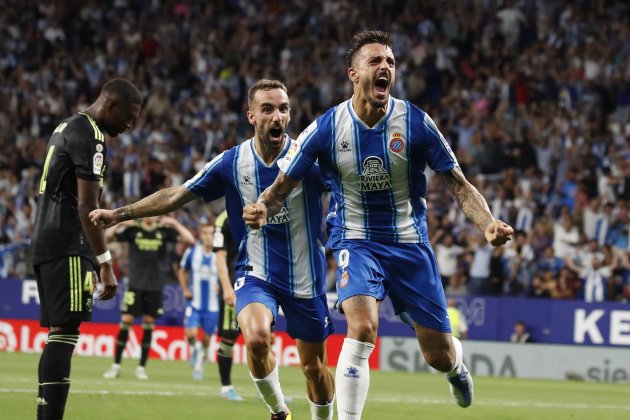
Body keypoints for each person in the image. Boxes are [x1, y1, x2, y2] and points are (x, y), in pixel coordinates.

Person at [243, 31, 513, 419]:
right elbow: (283, 184)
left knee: (437, 354)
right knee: (363, 326)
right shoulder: (326, 128)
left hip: (409, 244)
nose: (385, 67)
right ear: (354, 74)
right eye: (375, 62)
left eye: (390, 62)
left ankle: (455, 367)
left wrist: (487, 223)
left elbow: (459, 184)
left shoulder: (416, 123)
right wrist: (263, 205)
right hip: (355, 239)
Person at [90, 79, 335, 420]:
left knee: (314, 368)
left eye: (283, 109)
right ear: (251, 115)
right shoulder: (232, 162)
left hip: (306, 277)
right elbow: (176, 195)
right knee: (256, 339)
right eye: (267, 109)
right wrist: (118, 214)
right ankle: (280, 411)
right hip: (256, 274)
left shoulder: (307, 159)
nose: (277, 116)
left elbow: (345, 191)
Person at [28, 78, 142, 419]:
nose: (130, 124)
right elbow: (86, 206)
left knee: (58, 333)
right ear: (110, 105)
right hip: (68, 243)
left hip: (46, 240)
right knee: (65, 334)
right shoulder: (92, 134)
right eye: (129, 116)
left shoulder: (67, 125)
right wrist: (105, 262)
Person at [103, 215, 195, 380]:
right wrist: (121, 222)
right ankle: (116, 366)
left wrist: (174, 222)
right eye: (146, 212)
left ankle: (141, 367)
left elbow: (190, 240)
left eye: (153, 212)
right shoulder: (133, 230)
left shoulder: (164, 231)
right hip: (135, 284)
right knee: (126, 321)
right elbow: (107, 238)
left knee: (148, 324)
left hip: (155, 286)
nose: (150, 216)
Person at [178, 218, 244, 401]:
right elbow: (181, 271)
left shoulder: (221, 256)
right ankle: (197, 349)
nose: (207, 237)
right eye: (205, 233)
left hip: (213, 306)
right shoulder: (193, 253)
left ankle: (201, 358)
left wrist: (221, 287)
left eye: (210, 233)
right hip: (195, 303)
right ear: (200, 235)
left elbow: (226, 274)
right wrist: (185, 288)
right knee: (191, 334)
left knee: (208, 338)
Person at [212, 210, 246, 400]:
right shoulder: (224, 218)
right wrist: (226, 287)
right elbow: (220, 256)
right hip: (235, 284)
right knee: (228, 338)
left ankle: (268, 389)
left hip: (260, 285)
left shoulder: (264, 207)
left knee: (262, 340)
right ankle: (226, 387)